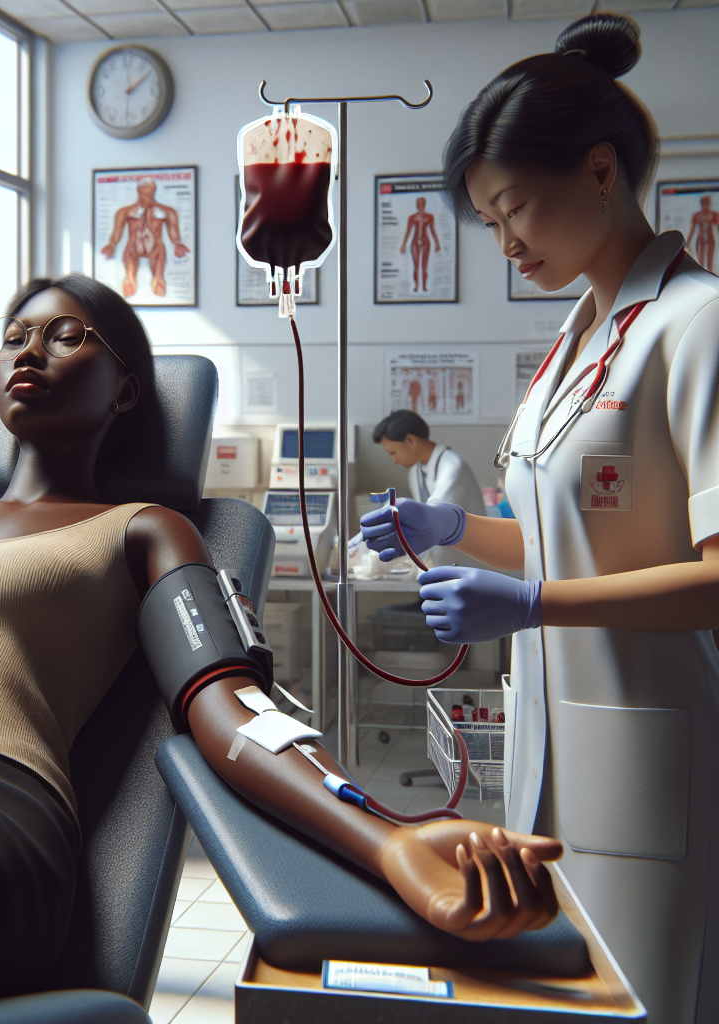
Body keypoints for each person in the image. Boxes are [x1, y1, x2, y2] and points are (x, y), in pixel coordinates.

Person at [0, 275, 561, 1023]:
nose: (30, 351)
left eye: (68, 336)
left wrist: (388, 838)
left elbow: (234, 711)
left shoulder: (147, 530)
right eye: (16, 336)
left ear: (123, 388)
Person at [361, 15, 719, 1024]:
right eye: (487, 219)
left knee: (658, 995)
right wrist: (453, 534)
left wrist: (527, 603)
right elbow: (563, 545)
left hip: (657, 747)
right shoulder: (570, 348)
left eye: (514, 206)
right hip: (550, 744)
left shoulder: (697, 326)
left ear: (599, 170)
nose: (506, 241)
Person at [370, 409, 485, 566]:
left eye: (393, 452)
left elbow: (431, 520)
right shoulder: (416, 472)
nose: (394, 459)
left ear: (410, 440)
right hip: (442, 561)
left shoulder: (452, 468)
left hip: (468, 561)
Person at [100, 178, 189, 299]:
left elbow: (173, 232)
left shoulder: (167, 211)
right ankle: (130, 277)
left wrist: (177, 244)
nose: (149, 197)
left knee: (159, 248)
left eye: (151, 193)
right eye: (146, 194)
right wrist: (112, 244)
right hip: (134, 248)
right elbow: (117, 231)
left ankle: (158, 277)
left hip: (155, 249)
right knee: (130, 248)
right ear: (139, 193)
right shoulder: (125, 211)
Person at [399, 196, 441, 292]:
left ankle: (424, 286)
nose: (421, 205)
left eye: (422, 203)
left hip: (426, 241)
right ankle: (416, 286)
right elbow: (408, 231)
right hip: (415, 242)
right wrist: (403, 245)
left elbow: (432, 230)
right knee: (416, 266)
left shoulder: (429, 217)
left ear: (425, 204)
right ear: (416, 205)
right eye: (419, 203)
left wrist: (437, 243)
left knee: (424, 266)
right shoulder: (412, 217)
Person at [687, 193, 717, 274]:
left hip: (710, 239)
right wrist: (687, 243)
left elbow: (718, 227)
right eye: (704, 202)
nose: (705, 204)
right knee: (701, 264)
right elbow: (692, 230)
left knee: (709, 264)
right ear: (701, 203)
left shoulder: (713, 214)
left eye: (707, 203)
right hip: (701, 239)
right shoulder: (697, 215)